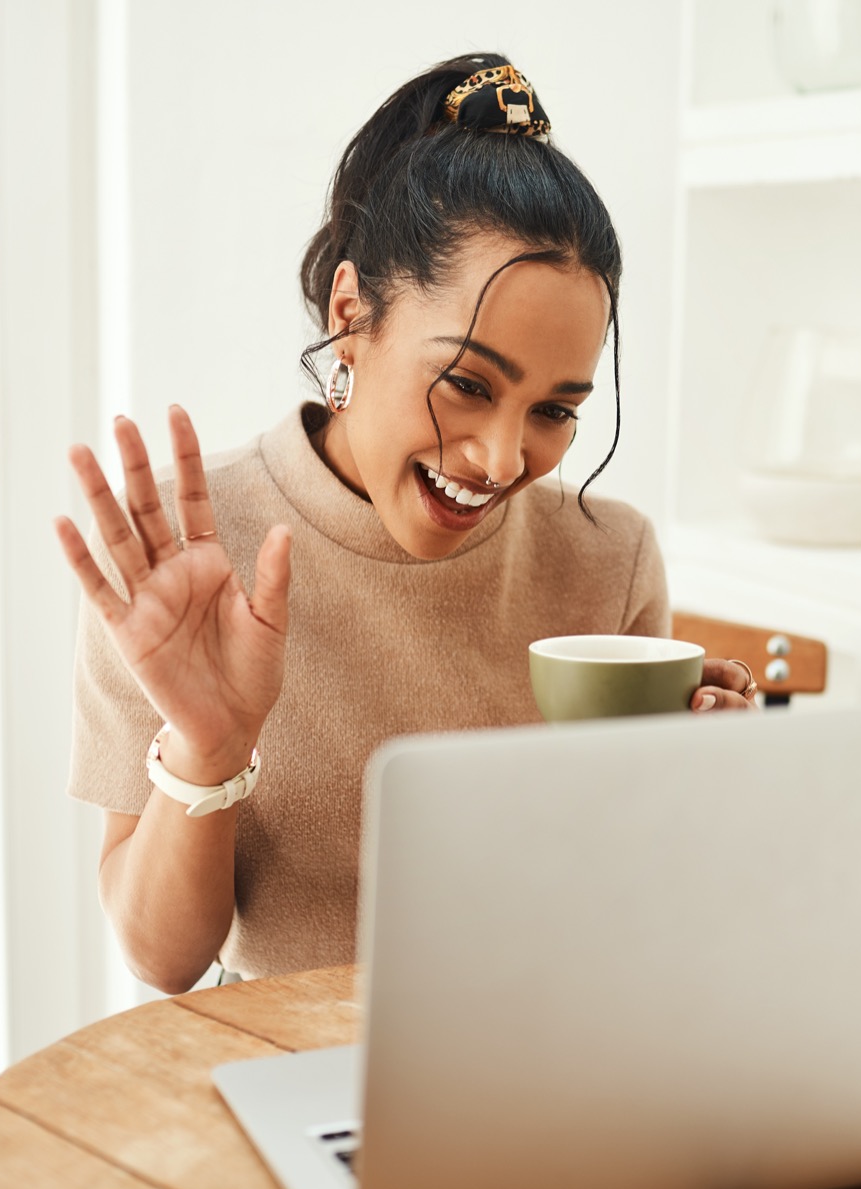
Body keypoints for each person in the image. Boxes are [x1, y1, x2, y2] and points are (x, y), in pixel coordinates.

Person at [56, 54, 756, 995]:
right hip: (279, 1072)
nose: (504, 459)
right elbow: (163, 958)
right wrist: (208, 750)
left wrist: (695, 802)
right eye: (468, 383)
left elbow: (633, 924)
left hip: (538, 1069)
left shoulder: (608, 560)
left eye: (556, 409)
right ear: (351, 315)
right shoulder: (194, 551)